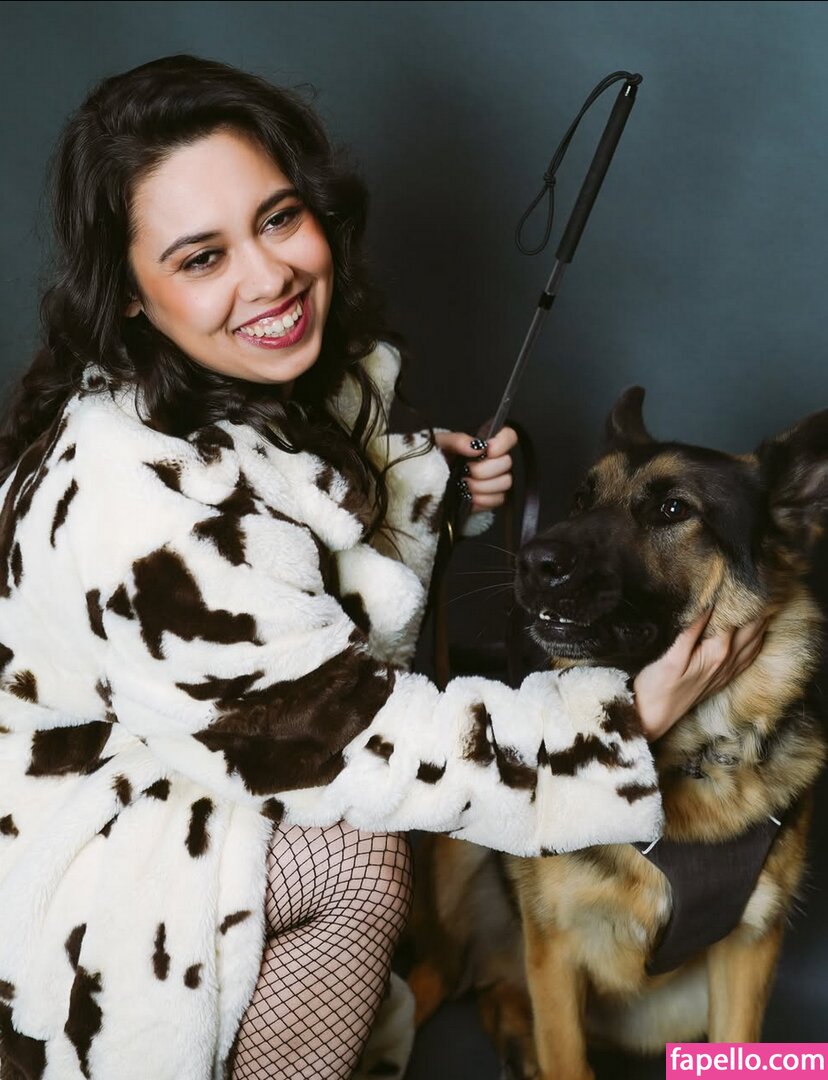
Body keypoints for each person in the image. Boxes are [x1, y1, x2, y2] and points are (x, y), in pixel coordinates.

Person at [0, 54, 765, 1080]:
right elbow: (338, 735)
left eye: (278, 218)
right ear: (128, 295)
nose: (268, 276)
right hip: (78, 843)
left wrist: (417, 482)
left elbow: (284, 525)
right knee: (360, 852)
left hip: (192, 763)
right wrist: (618, 725)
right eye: (201, 257)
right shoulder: (131, 499)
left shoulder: (246, 383)